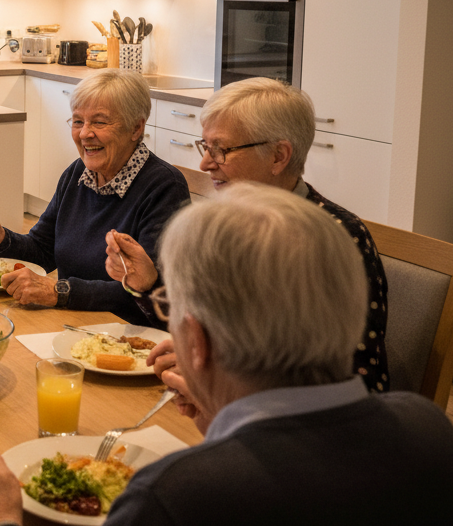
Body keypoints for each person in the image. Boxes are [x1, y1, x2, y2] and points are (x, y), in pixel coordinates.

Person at [0, 184, 453, 526]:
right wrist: (224, 417)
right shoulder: (430, 432)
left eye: (168, 308)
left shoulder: (175, 499)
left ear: (196, 342)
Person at [131, 77, 389, 413]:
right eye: (205, 146)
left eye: (221, 149)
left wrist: (218, 388)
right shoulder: (227, 225)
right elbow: (209, 326)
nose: (205, 163)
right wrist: (153, 291)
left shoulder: (334, 239)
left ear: (279, 156)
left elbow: (358, 382)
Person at [0, 69, 188, 324]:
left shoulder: (164, 187)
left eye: (99, 122)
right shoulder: (77, 173)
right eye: (78, 121)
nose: (84, 134)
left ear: (136, 128)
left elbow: (150, 292)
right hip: (73, 323)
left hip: (129, 333)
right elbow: (42, 250)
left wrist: (59, 292)